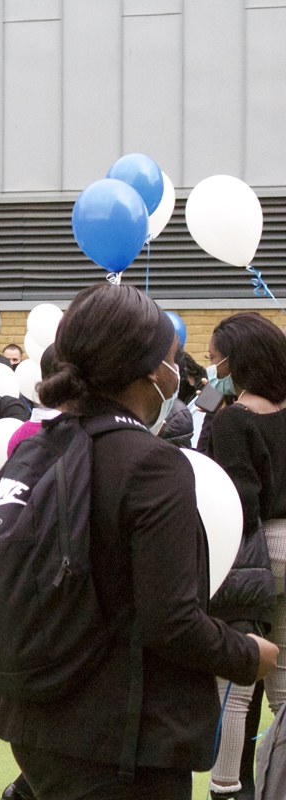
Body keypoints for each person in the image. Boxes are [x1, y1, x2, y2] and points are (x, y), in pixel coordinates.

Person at [0, 283, 278, 798]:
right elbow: (171, 619)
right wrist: (245, 654)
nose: (180, 371)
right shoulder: (151, 464)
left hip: (38, 715)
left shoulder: (37, 449)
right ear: (150, 370)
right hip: (122, 729)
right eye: (173, 358)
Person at [204, 312, 286, 799]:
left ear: (236, 360)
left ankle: (226, 786)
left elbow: (238, 500)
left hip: (256, 551)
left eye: (216, 358)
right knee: (284, 688)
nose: (212, 367)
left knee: (234, 685)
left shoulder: (233, 419)